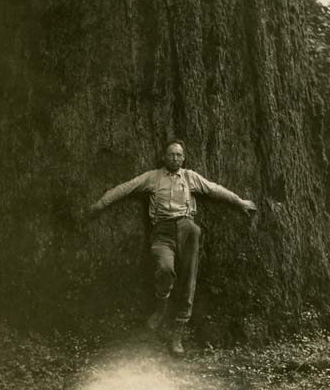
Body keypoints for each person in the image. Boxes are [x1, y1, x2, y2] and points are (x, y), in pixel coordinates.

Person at [89, 139, 257, 356]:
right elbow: (126, 188)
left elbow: (215, 190)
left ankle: (178, 332)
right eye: (171, 155)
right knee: (165, 269)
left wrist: (239, 202)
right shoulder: (152, 177)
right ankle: (161, 308)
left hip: (188, 229)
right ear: (164, 157)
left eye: (179, 155)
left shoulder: (190, 177)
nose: (175, 158)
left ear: (183, 158)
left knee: (189, 278)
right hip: (162, 231)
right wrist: (101, 204)